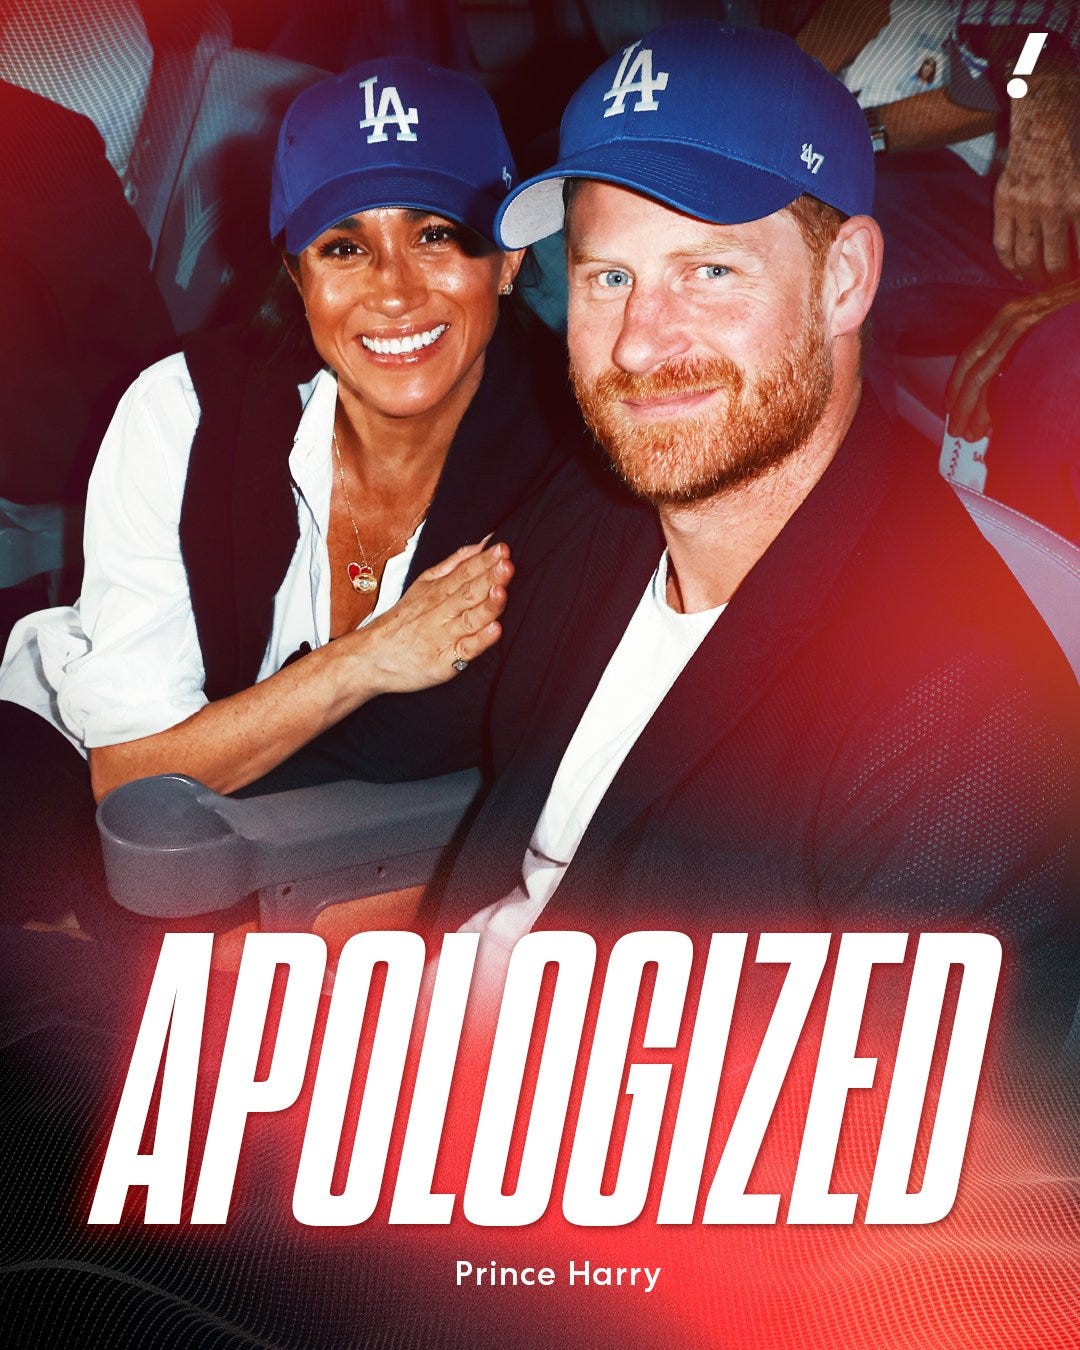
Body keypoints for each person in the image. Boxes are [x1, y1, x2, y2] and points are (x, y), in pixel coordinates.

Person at [275, 22, 1078, 1042]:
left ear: (844, 280)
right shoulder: (601, 521)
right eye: (610, 277)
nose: (640, 346)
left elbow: (922, 1123)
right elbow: (394, 732)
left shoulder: (958, 717)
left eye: (709, 272)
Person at [0, 56, 585, 937]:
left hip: (303, 857)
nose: (394, 290)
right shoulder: (182, 408)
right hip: (69, 766)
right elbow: (128, 776)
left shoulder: (573, 466)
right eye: (344, 247)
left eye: (437, 235)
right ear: (299, 275)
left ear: (507, 260)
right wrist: (365, 659)